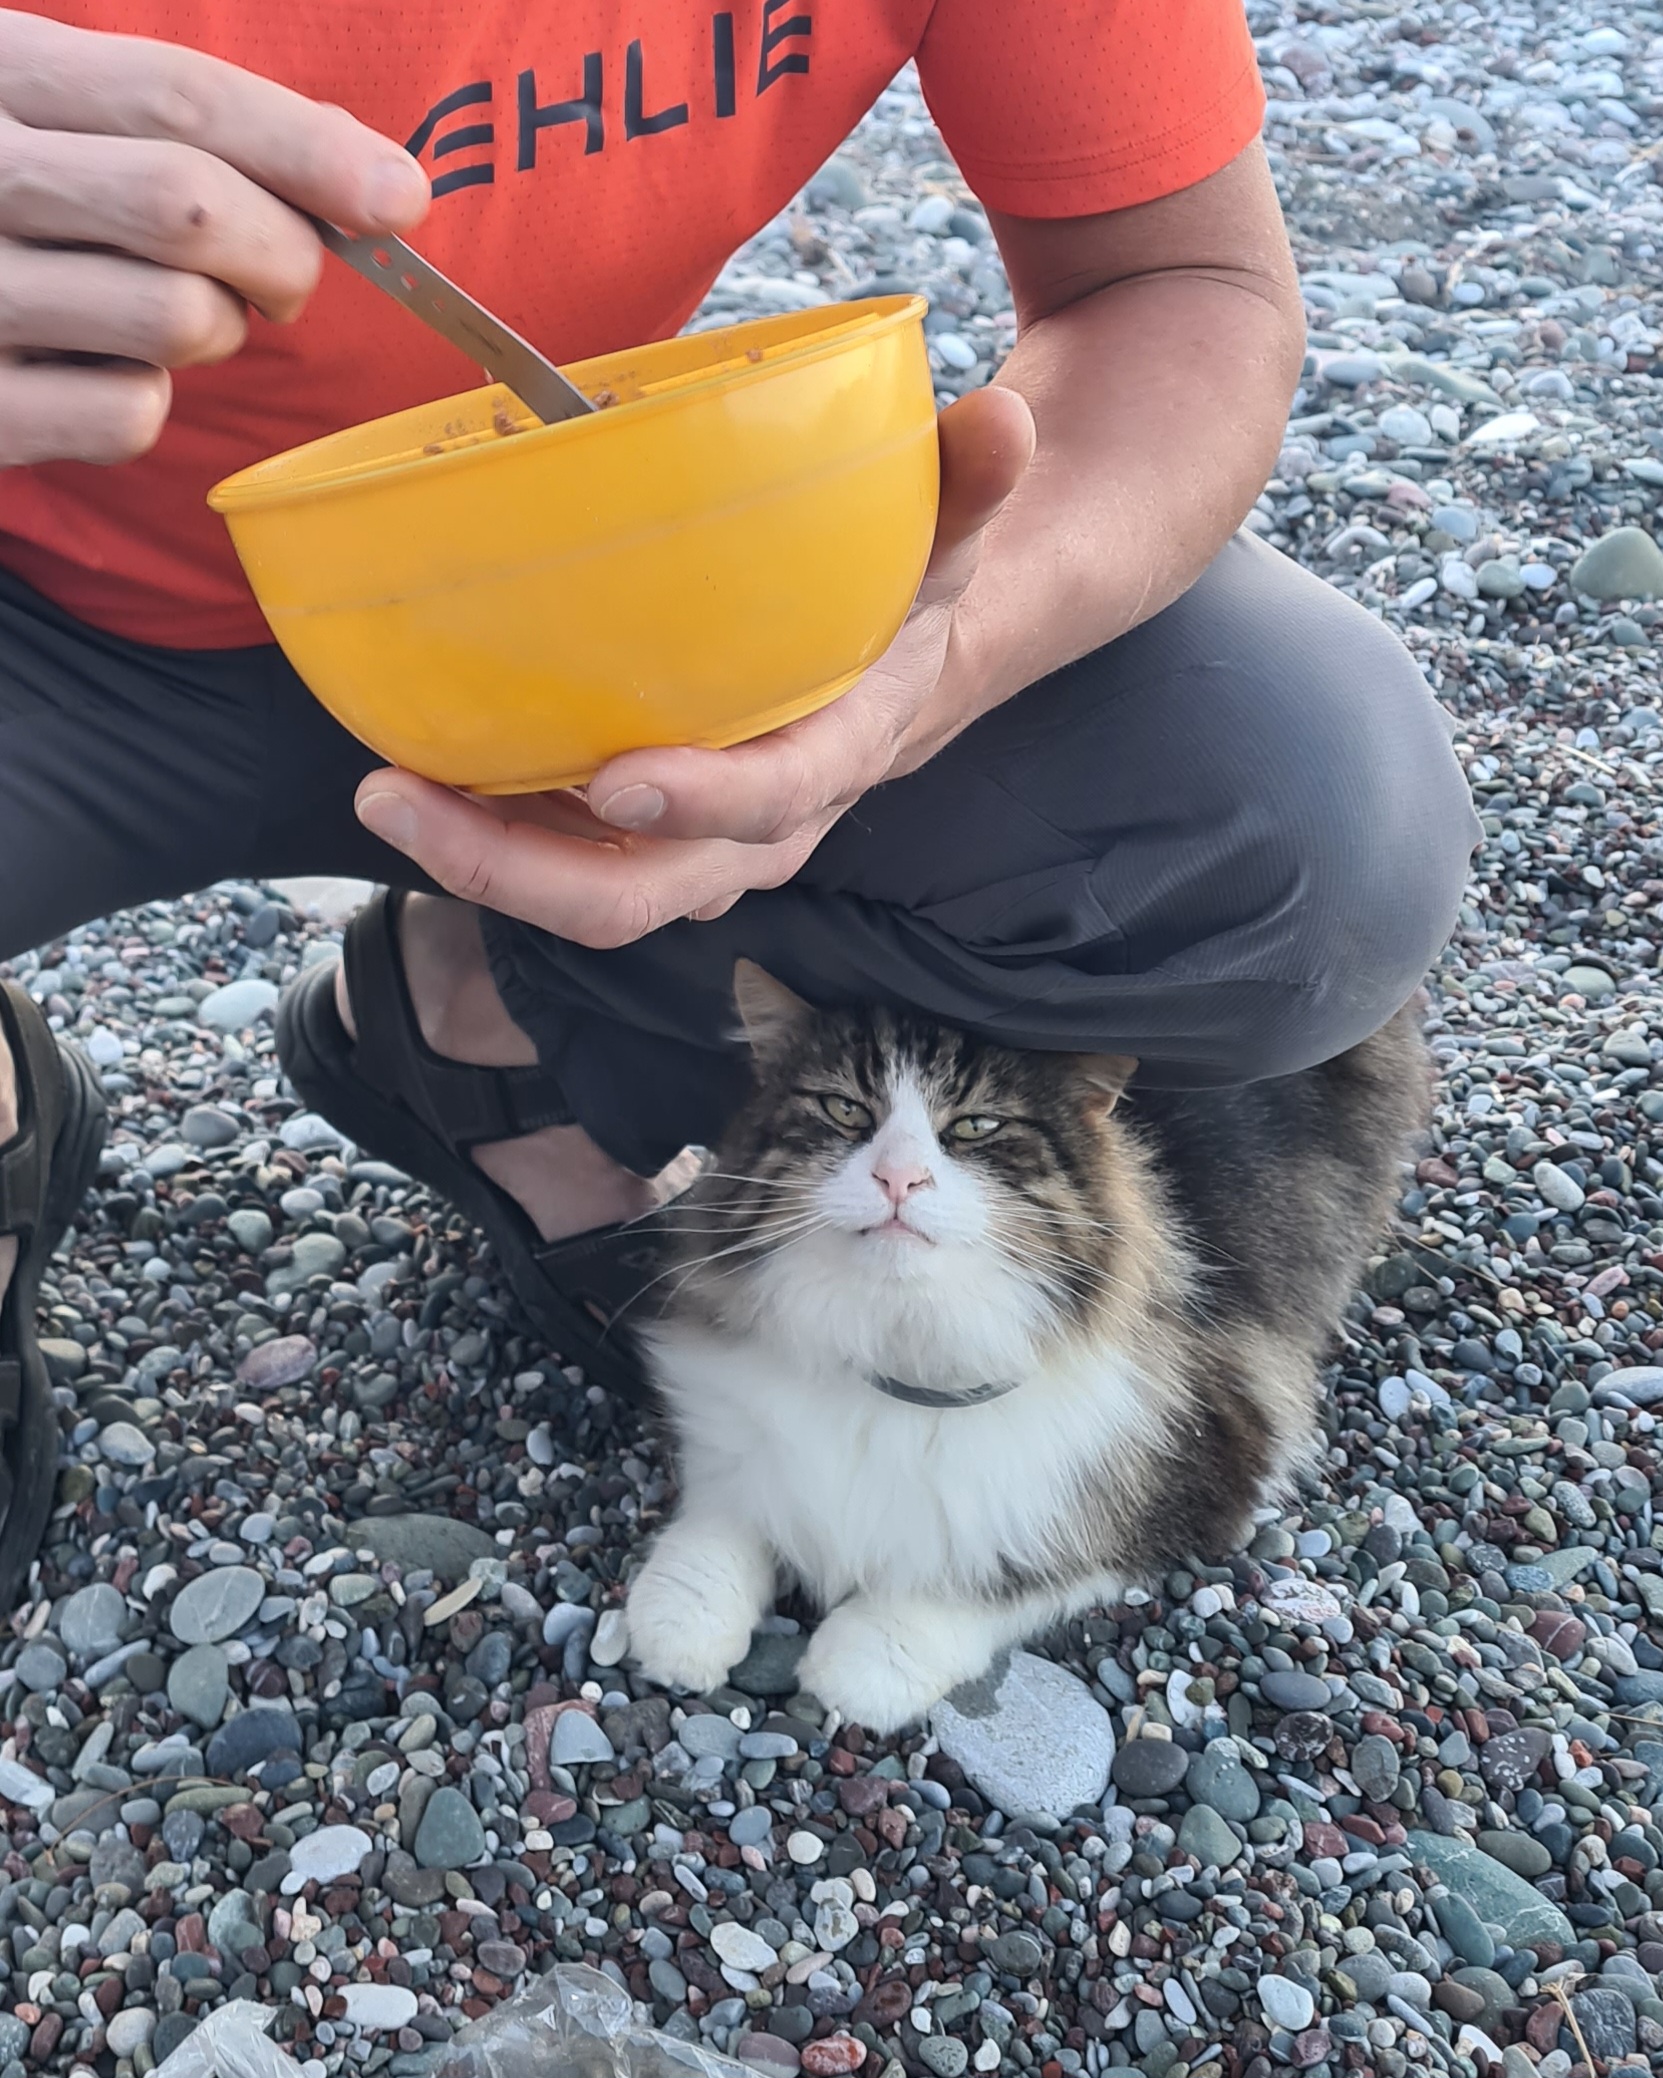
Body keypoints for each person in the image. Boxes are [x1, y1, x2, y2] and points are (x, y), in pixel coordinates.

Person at [0, 2, 1479, 1588]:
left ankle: (491, 1007)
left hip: (624, 618)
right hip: (46, 631)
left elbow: (1178, 281)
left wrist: (939, 658)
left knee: (1297, 844)